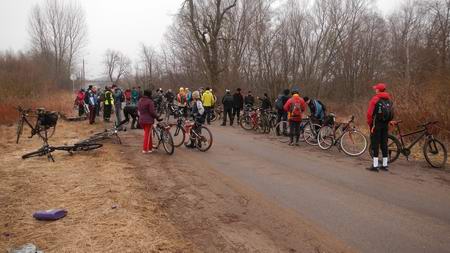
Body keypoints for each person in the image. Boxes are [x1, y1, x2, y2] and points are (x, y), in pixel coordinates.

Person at [366, 83, 394, 172]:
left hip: (376, 124)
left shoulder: (375, 99)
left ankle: (375, 165)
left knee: (375, 144)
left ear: (378, 90)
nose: (375, 90)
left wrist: (370, 124)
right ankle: (385, 165)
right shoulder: (389, 99)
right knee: (384, 143)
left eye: (376, 89)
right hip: (385, 124)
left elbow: (369, 114)